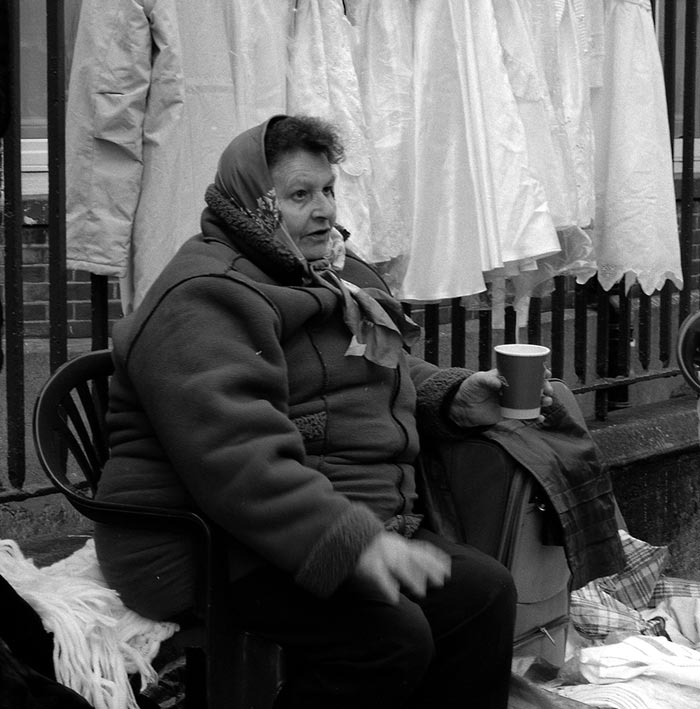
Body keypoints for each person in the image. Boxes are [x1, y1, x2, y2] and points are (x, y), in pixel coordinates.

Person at [95, 115, 554, 708]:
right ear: (252, 204)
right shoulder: (204, 298)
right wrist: (355, 542)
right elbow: (238, 458)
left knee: (483, 593)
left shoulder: (315, 270)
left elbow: (369, 369)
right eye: (299, 195)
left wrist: (454, 396)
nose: (323, 210)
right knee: (388, 638)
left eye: (328, 189)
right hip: (203, 542)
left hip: (304, 521)